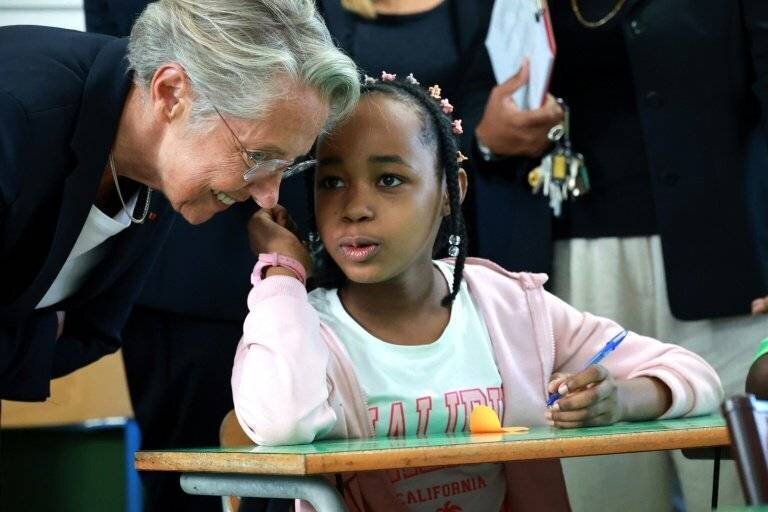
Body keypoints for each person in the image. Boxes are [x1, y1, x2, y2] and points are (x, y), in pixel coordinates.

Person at [233, 75, 723, 511]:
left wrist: (621, 399)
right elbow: (282, 425)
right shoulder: (299, 326)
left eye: (389, 179)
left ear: (451, 190)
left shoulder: (507, 307)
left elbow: (696, 376)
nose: (355, 207)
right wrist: (282, 274)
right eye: (332, 182)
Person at [0, 0, 359, 402]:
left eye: (285, 166)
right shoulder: (14, 113)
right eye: (258, 157)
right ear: (170, 93)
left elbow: (91, 335)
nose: (268, 196)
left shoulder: (157, 156)